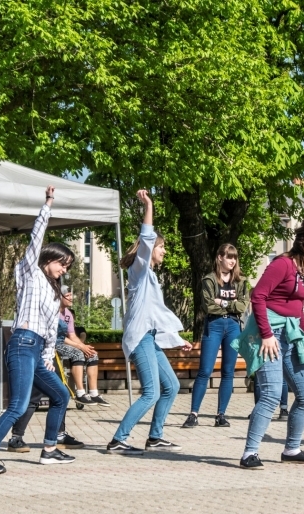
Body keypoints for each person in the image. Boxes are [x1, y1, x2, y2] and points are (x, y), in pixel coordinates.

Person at [0, 186, 76, 472]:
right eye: (63, 264)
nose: (64, 270)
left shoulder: (51, 291)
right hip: (21, 344)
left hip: (36, 351)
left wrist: (46, 356)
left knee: (61, 395)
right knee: (18, 406)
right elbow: (36, 239)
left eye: (68, 267)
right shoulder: (29, 272)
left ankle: (48, 449)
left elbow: (48, 328)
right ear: (48, 259)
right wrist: (48, 204)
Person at [234, 218, 304, 470]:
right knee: (270, 394)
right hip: (268, 335)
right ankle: (249, 453)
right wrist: (267, 334)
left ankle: (291, 449)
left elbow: (297, 310)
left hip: (291, 335)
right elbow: (257, 296)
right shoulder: (282, 264)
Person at [106, 189, 193, 455]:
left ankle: (155, 436)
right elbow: (146, 238)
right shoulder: (140, 271)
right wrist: (149, 206)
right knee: (152, 392)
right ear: (151, 249)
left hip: (150, 337)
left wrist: (177, 340)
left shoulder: (151, 278)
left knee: (172, 386)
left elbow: (156, 315)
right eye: (162, 247)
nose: (164, 251)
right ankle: (118, 440)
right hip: (139, 338)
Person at [6, 287, 95, 454]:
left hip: (49, 354)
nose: (70, 296)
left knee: (59, 393)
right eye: (66, 293)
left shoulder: (65, 313)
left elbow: (68, 336)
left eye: (70, 293)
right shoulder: (45, 306)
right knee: (33, 396)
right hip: (36, 352)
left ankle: (58, 435)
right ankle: (16, 437)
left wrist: (82, 347)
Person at [183, 244, 250, 428]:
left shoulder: (241, 281)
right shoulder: (209, 279)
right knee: (205, 370)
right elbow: (208, 306)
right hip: (213, 325)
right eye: (229, 257)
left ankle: (221, 415)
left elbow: (243, 306)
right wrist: (230, 303)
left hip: (234, 326)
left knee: (228, 372)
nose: (232, 261)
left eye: (234, 257)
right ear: (219, 257)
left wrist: (222, 302)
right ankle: (193, 414)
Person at [56, 288, 109, 407]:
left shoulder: (68, 314)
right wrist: (80, 346)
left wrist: (85, 347)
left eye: (71, 295)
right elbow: (56, 336)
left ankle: (94, 393)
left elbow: (72, 335)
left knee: (92, 354)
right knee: (78, 353)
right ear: (59, 296)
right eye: (68, 295)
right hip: (54, 343)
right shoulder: (52, 311)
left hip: (66, 341)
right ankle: (80, 393)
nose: (71, 298)